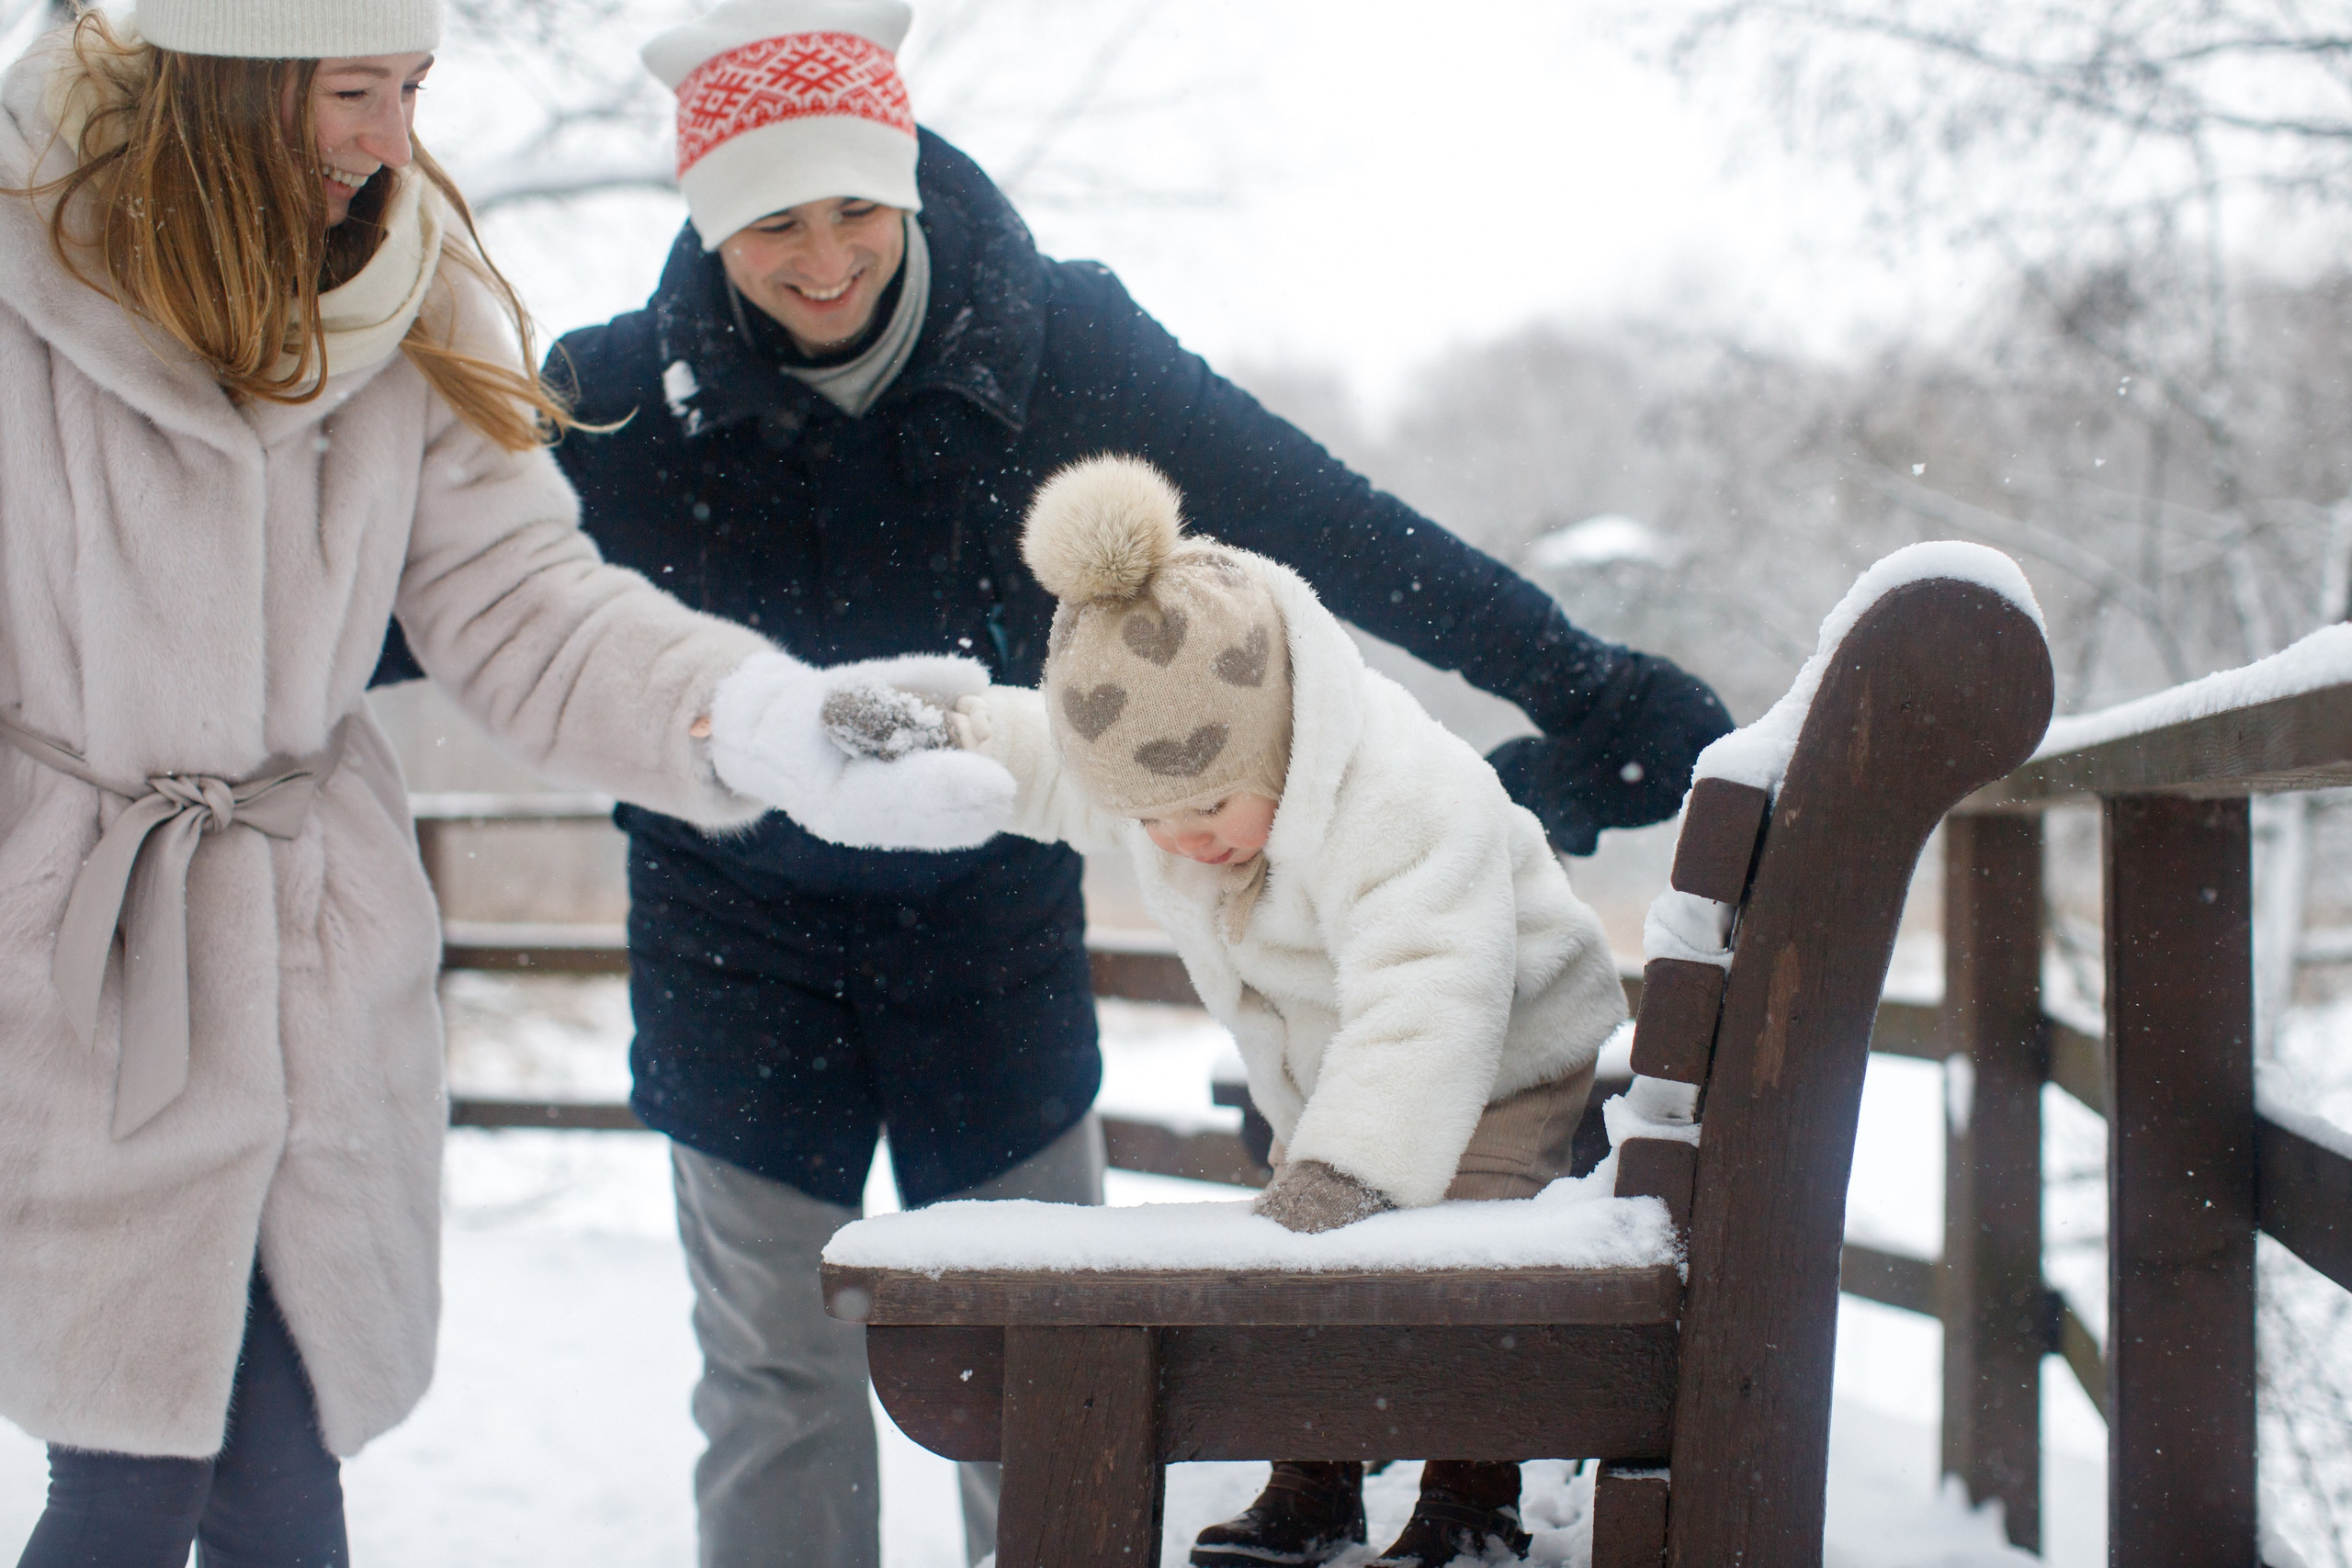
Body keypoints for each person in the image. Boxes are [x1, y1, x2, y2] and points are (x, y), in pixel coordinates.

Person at [519, 0, 1733, 1562]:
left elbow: (1325, 517)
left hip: (987, 928)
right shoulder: (616, 398)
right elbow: (448, 602)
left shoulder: (1054, 342)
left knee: (1043, 1353)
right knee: (774, 1365)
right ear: (704, 222)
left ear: (902, 180)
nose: (824, 260)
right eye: (770, 225)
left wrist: (1582, 688)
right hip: (727, 930)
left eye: (855, 209)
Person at [0, 4, 1009, 1563]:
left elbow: (523, 602)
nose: (393, 141)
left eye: (412, 89)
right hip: (81, 951)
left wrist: (767, 724)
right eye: (351, 92)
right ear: (219, 79)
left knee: (277, 1467)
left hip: (308, 951)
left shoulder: (413, 281)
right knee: (134, 1469)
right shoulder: (20, 270)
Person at [847, 454, 1629, 1565]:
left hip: (1501, 1047)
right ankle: (1314, 1479)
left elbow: (1433, 988)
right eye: (1153, 818)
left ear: (1286, 745)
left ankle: (1475, 1488)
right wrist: (950, 735)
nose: (1181, 839)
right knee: (1299, 1279)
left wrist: (1351, 1168)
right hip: (1352, 1066)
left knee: (1463, 1260)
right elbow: (1063, 766)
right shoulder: (1177, 778)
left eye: (1209, 805)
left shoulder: (1403, 793)